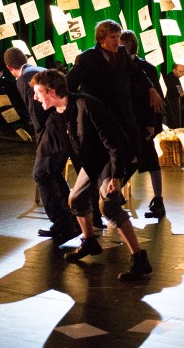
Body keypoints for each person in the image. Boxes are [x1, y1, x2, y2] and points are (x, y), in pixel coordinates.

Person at [31, 69, 152, 281]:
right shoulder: (56, 115)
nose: (35, 97)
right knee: (76, 199)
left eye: (38, 92)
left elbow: (113, 142)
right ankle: (89, 242)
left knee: (109, 206)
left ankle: (140, 259)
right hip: (93, 161)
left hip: (115, 157)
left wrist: (116, 176)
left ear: (51, 92)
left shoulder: (86, 105)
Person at [66, 20, 165, 219]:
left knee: (132, 157)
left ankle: (109, 197)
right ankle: (101, 206)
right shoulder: (87, 58)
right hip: (100, 120)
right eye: (113, 37)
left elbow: (137, 73)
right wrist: (80, 107)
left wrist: (151, 88)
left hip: (124, 118)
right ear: (101, 38)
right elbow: (69, 84)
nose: (117, 41)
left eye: (118, 37)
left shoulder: (121, 53)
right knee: (102, 165)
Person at [4, 47, 80, 245]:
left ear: (9, 67)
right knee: (52, 174)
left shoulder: (23, 79)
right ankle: (70, 220)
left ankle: (65, 223)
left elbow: (36, 111)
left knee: (43, 174)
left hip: (51, 131)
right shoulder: (38, 69)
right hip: (60, 127)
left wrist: (40, 140)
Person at [118, 30, 166, 218]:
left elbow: (154, 101)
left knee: (149, 159)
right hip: (125, 122)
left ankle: (158, 201)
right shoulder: (117, 66)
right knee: (124, 159)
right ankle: (114, 196)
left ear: (129, 45)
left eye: (121, 43)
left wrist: (150, 124)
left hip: (142, 121)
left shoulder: (146, 68)